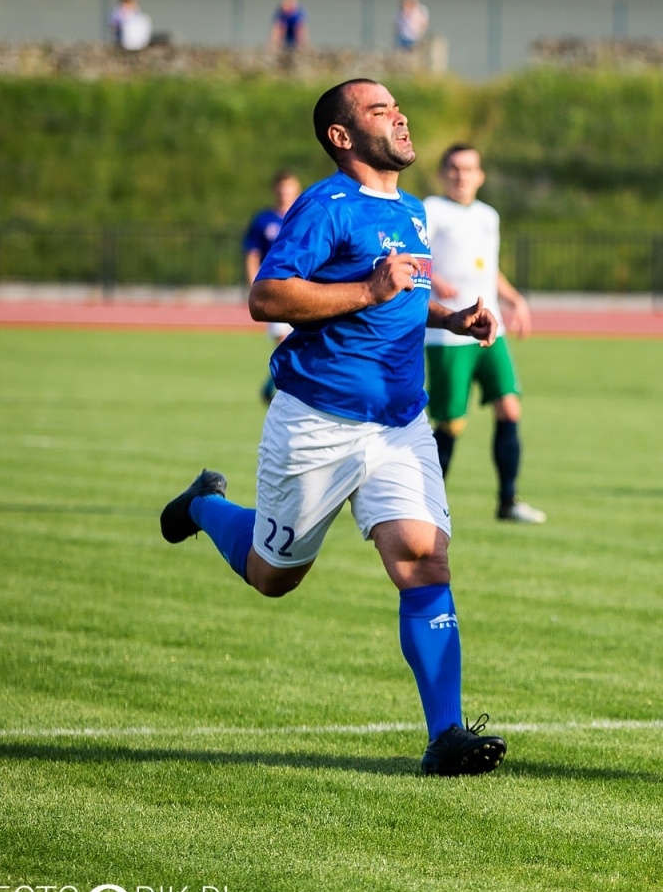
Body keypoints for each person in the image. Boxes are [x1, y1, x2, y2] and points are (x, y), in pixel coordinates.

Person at [158, 78, 508, 777]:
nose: (399, 117)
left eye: (397, 107)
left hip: (399, 424)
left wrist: (451, 317)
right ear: (342, 137)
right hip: (316, 423)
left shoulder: (412, 210)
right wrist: (368, 288)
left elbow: (401, 297)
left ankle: (445, 734)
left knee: (423, 558)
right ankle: (203, 505)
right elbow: (267, 296)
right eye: (380, 110)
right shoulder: (326, 205)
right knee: (273, 576)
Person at [424, 144, 546, 524]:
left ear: (481, 176)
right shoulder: (431, 210)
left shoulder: (487, 216)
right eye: (454, 168)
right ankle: (424, 507)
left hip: (490, 330)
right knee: (450, 422)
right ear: (443, 174)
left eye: (469, 169)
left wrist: (515, 300)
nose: (461, 175)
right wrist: (432, 278)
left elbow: (488, 270)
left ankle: (508, 501)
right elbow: (412, 257)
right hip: (448, 333)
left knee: (509, 407)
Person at [242, 169, 303, 404]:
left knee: (300, 342)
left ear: (296, 189)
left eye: (289, 188)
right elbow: (252, 254)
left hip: (301, 289)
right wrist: (255, 285)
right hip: (274, 290)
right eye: (281, 188)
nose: (284, 193)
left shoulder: (304, 217)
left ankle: (273, 387)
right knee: (286, 342)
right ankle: (276, 388)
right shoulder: (264, 220)